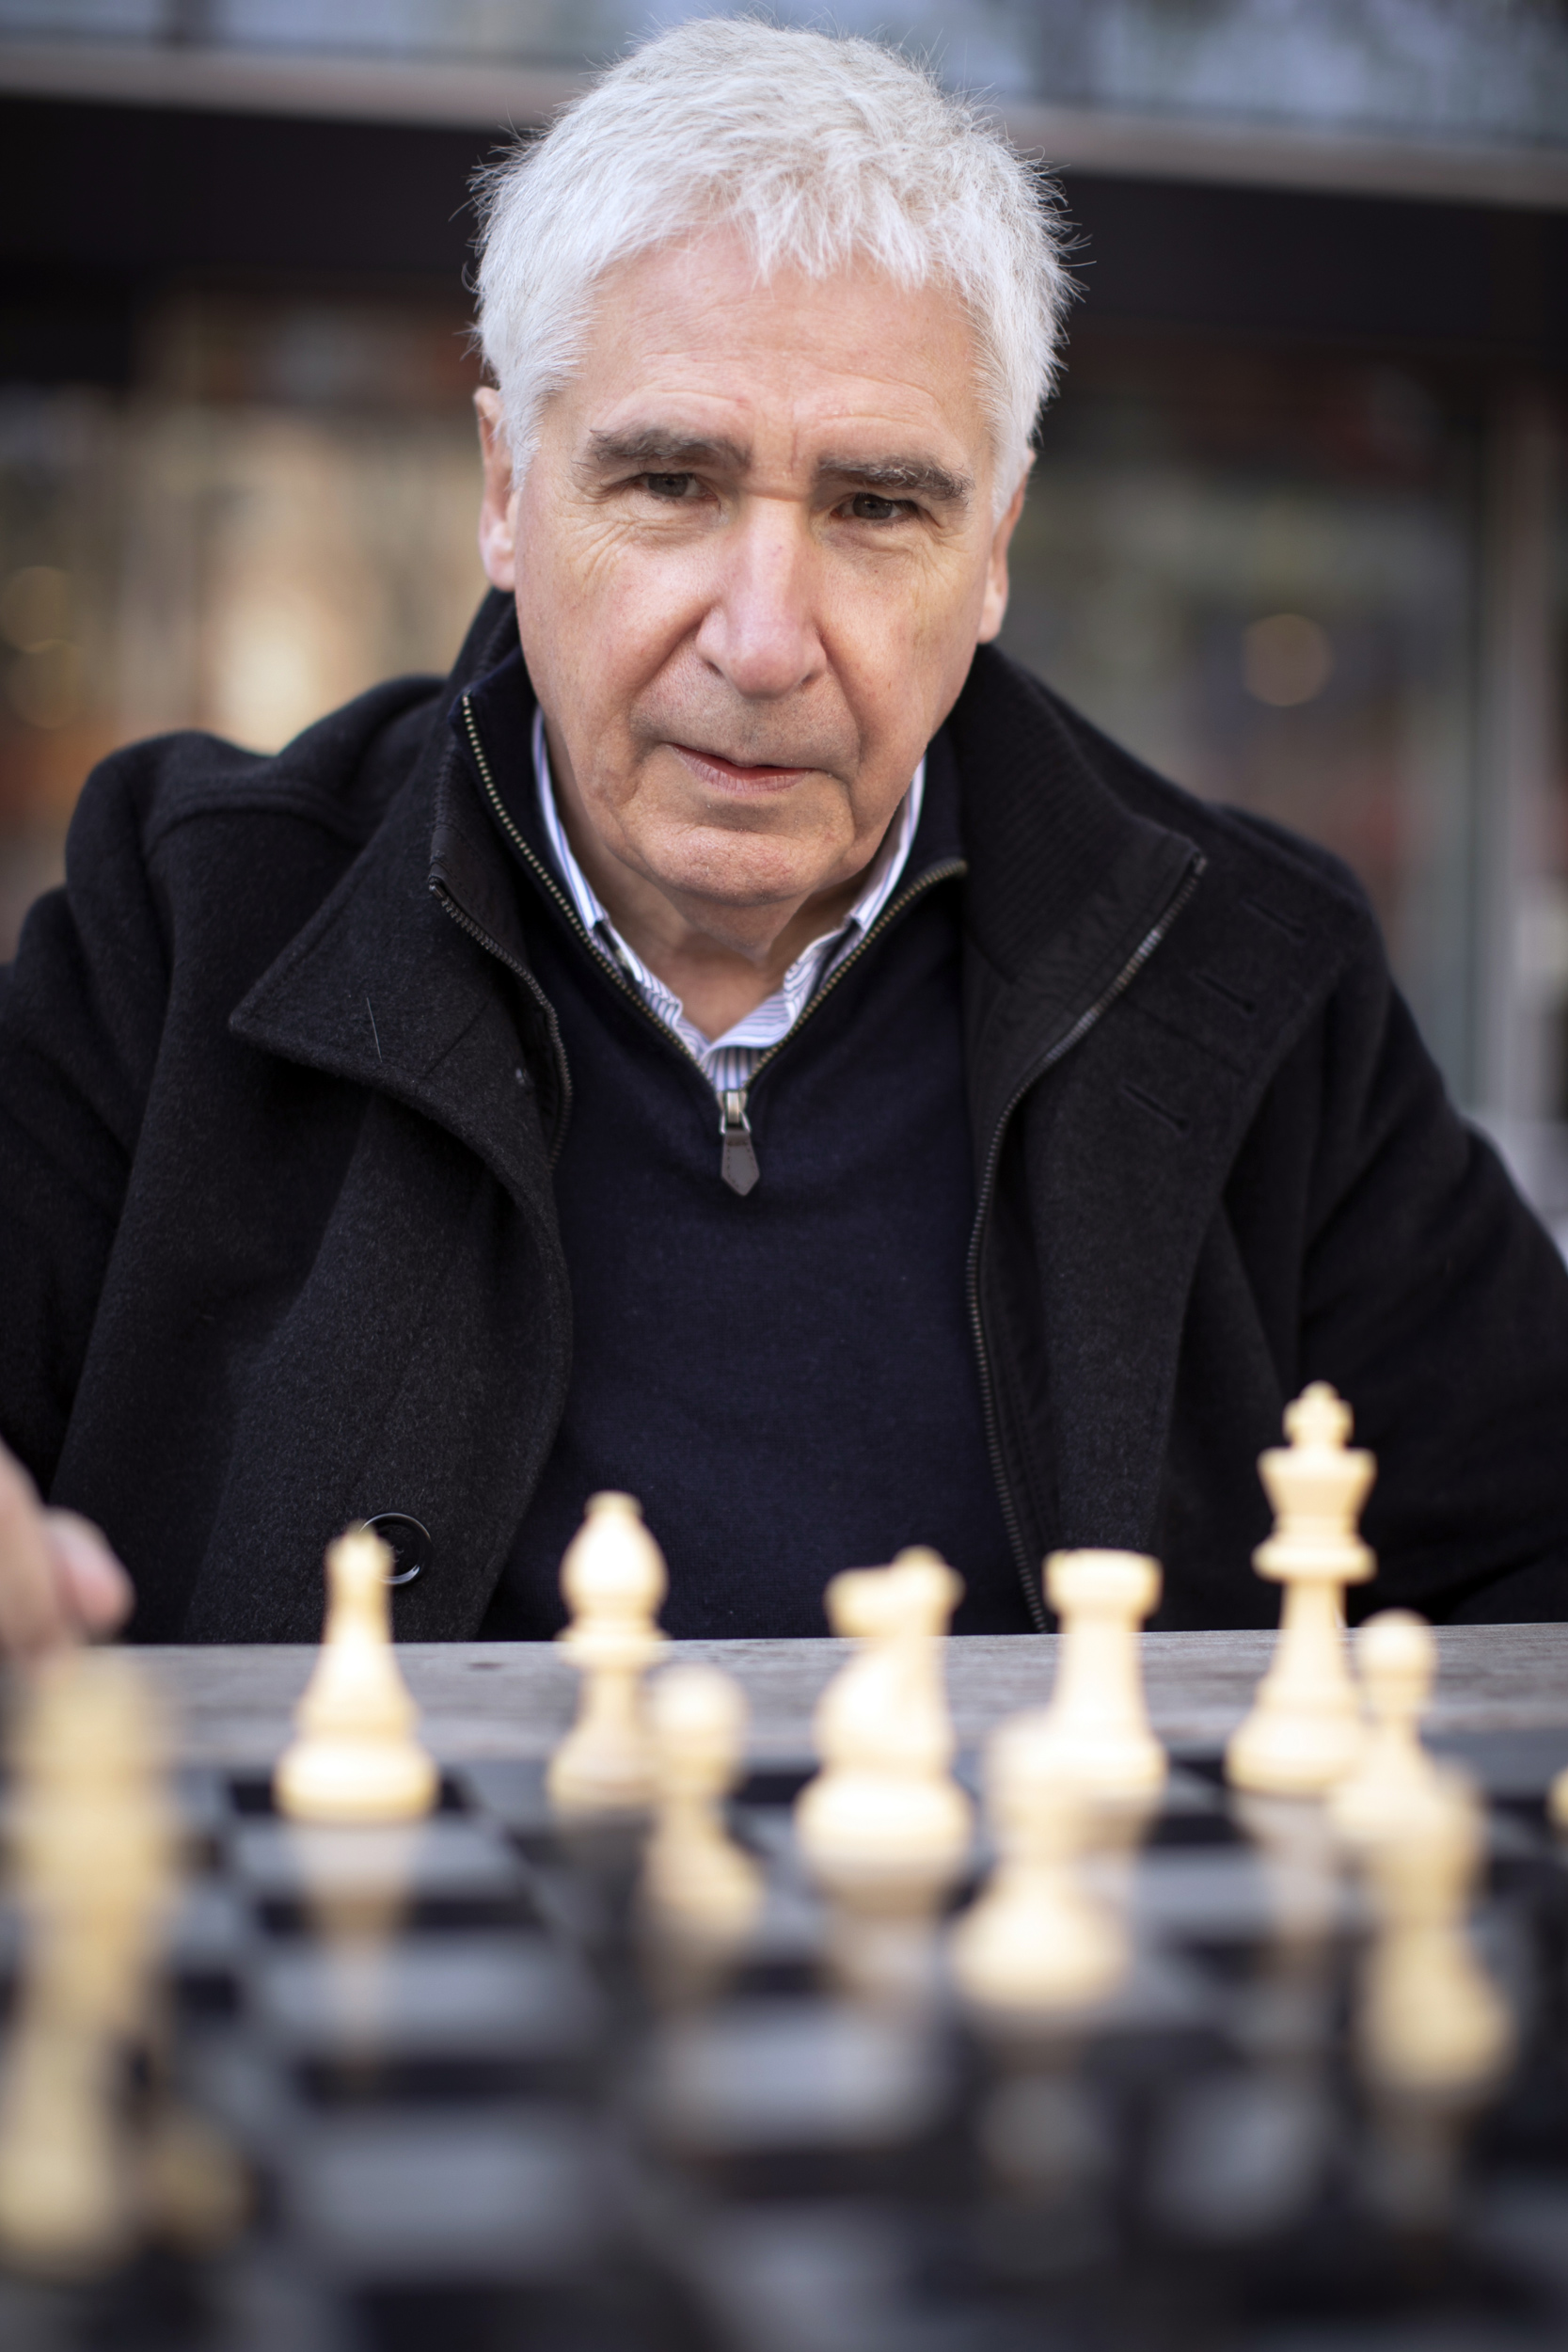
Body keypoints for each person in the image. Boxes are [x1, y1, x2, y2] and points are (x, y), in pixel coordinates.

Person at [1, 19, 1565, 1658]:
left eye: (878, 508)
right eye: (671, 482)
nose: (762, 640)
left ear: (999, 550)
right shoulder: (185, 920)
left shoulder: (1253, 981)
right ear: (503, 489)